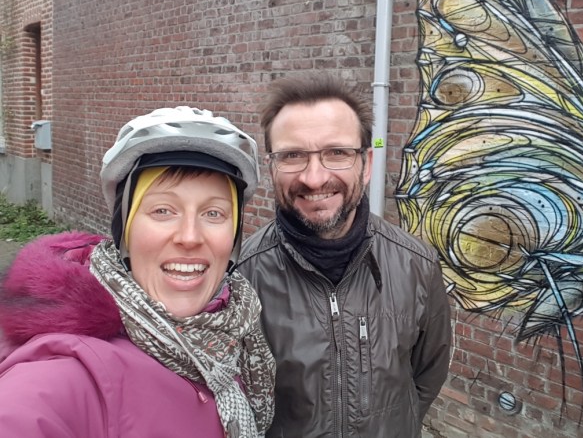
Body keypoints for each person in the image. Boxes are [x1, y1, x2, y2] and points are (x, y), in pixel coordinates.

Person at [0, 107, 275, 438]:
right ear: (125, 232)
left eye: (213, 213)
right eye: (163, 210)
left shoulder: (233, 336)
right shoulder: (69, 374)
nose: (190, 236)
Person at [237, 74, 452, 438]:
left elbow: (426, 375)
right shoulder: (241, 278)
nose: (314, 178)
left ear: (366, 165)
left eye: (337, 152)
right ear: (271, 167)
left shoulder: (416, 263)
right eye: (293, 155)